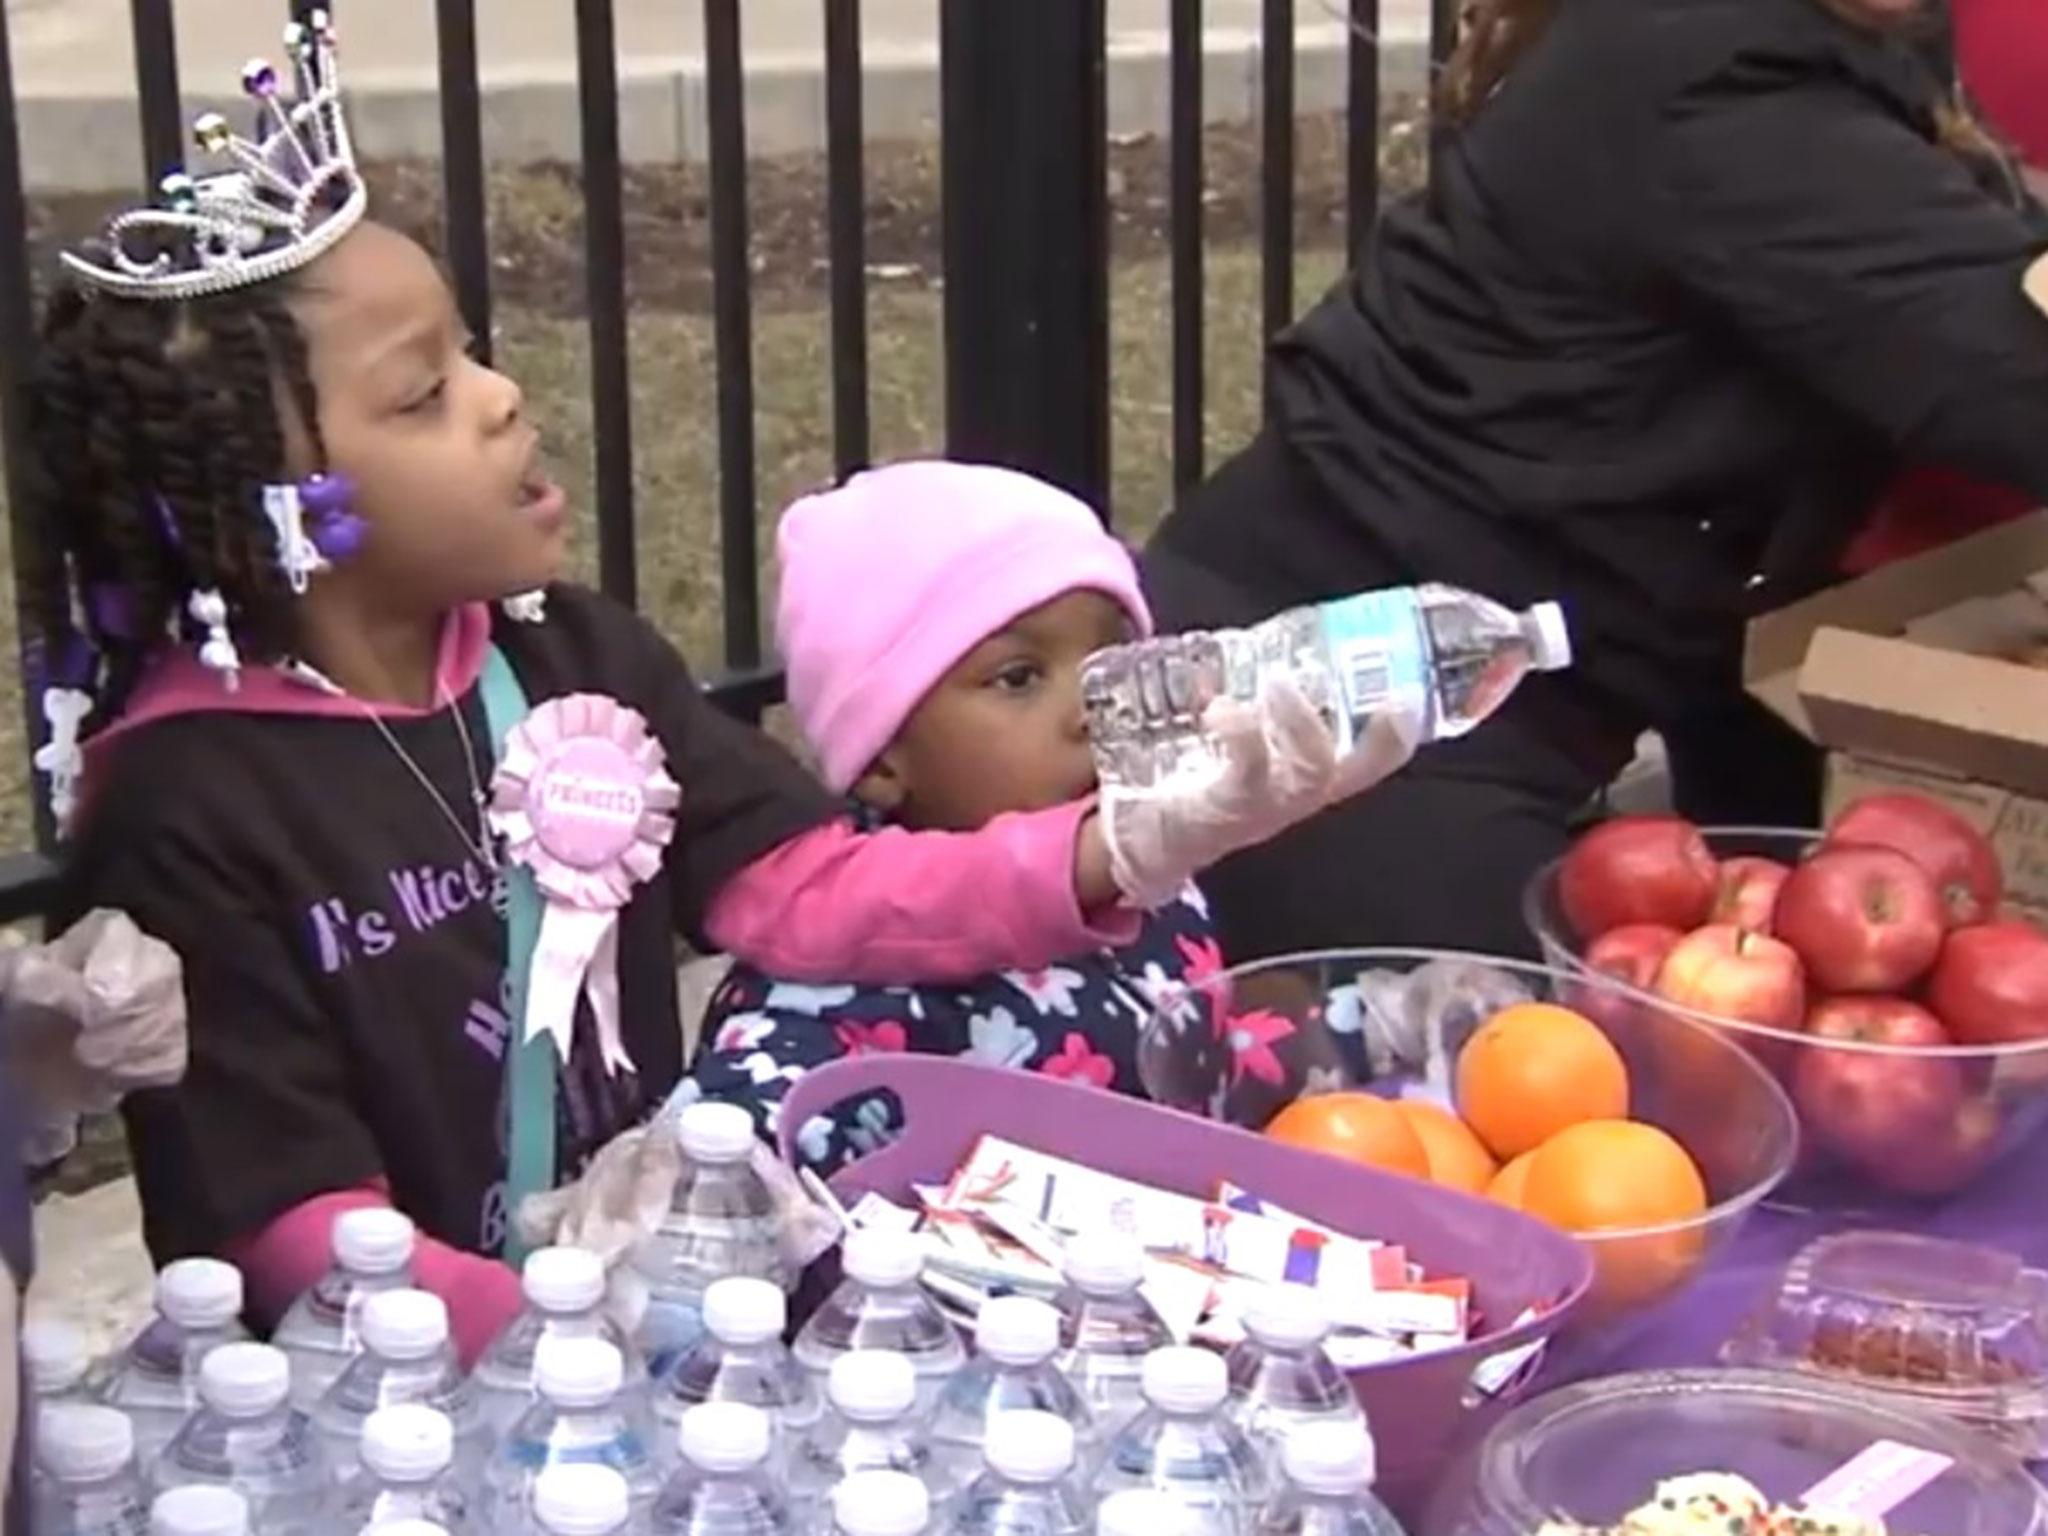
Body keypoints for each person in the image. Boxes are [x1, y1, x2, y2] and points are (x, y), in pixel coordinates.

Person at [29, 17, 1385, 1359]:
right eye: (423, 395)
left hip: (652, 1344)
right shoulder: (186, 801)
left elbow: (816, 891)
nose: (503, 399)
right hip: (383, 1397)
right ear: (271, 505)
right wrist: (564, 1335)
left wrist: (1111, 848)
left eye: (473, 354)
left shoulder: (566, 653)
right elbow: (279, 1213)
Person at [1145, 0, 2048, 961]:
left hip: (1442, 664)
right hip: (1355, 712)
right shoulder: (1729, 93)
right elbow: (2007, 378)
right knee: (1506, 1080)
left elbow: (1961, 253)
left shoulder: (1792, 48)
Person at [683, 463, 1414, 1170]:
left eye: (1115, 657)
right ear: (881, 760)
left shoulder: (1150, 883)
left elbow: (1207, 1058)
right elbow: (727, 1158)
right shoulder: (844, 985)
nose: (1096, 710)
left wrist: (1379, 1030)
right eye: (1019, 678)